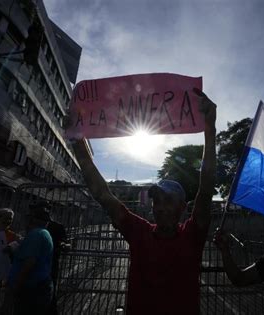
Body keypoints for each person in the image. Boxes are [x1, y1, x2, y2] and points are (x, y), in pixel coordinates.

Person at [70, 89, 216, 315]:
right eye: (157, 201)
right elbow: (103, 195)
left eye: (168, 201)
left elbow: (206, 190)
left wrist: (209, 128)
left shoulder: (192, 235)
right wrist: (77, 143)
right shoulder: (140, 232)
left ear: (183, 208)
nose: (160, 208)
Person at [6, 204, 54, 315]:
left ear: (32, 219)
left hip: (32, 289)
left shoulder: (35, 235)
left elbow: (29, 263)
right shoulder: (43, 233)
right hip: (39, 286)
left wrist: (16, 285)